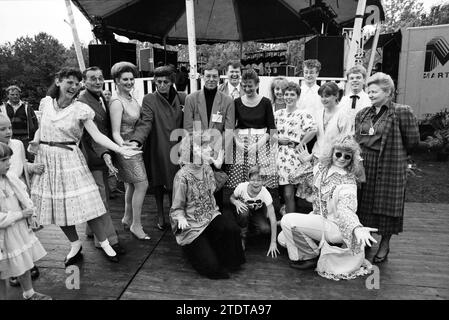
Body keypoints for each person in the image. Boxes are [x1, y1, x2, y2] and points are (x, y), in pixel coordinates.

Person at [30, 67, 141, 266]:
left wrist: (120, 149)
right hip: (47, 162)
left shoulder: (81, 109)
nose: (73, 86)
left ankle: (106, 243)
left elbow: (98, 135)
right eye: (69, 82)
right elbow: (42, 127)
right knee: (59, 208)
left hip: (70, 160)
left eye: (76, 83)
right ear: (58, 81)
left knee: (90, 206)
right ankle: (74, 244)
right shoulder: (46, 103)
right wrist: (36, 140)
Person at [278, 136, 377, 279]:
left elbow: (345, 210)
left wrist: (356, 227)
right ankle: (318, 246)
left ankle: (309, 257)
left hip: (335, 226)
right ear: (332, 153)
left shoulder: (348, 182)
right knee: (283, 238)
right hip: (318, 219)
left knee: (287, 220)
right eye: (338, 154)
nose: (342, 158)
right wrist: (306, 162)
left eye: (347, 157)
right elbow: (294, 178)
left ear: (352, 159)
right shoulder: (321, 168)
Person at [355, 72, 419, 263]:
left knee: (387, 206)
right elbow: (357, 139)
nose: (370, 95)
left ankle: (384, 245)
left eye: (374, 91)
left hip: (390, 164)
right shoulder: (363, 113)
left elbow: (413, 141)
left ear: (387, 91)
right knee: (364, 204)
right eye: (369, 92)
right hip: (366, 165)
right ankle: (365, 241)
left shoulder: (401, 111)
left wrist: (398, 156)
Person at [170, 134, 245, 279]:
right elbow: (177, 207)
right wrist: (180, 217)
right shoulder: (182, 176)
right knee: (212, 268)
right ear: (194, 150)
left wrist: (217, 167)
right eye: (204, 146)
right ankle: (190, 249)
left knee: (232, 230)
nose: (210, 148)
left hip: (209, 216)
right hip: (191, 225)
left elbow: (212, 189)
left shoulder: (207, 168)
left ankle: (222, 254)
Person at [128, 66, 185, 231]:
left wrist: (185, 142)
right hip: (158, 144)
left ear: (172, 82)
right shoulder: (149, 99)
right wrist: (136, 141)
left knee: (176, 183)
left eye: (165, 82)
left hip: (177, 146)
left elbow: (187, 122)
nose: (161, 85)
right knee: (159, 181)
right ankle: (160, 212)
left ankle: (175, 212)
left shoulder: (182, 98)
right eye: (158, 82)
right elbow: (145, 122)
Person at [78, 66, 125, 254]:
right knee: (101, 198)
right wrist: (105, 154)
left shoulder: (99, 98)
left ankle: (91, 231)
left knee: (98, 193)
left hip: (100, 153)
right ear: (84, 81)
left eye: (100, 78)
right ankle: (107, 239)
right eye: (92, 79)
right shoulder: (83, 102)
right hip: (92, 154)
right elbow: (92, 135)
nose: (97, 81)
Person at [0, 142, 52, 300]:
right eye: (3, 160)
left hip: (17, 231)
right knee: (0, 271)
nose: (9, 163)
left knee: (23, 262)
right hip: (3, 234)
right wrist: (21, 214)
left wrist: (31, 214)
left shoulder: (10, 178)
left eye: (9, 159)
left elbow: (23, 196)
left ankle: (29, 292)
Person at [183, 62, 235, 212]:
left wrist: (216, 151)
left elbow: (229, 129)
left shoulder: (227, 101)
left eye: (214, 76)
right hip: (197, 151)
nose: (211, 79)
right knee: (197, 187)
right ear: (202, 77)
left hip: (217, 153)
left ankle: (216, 216)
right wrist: (198, 149)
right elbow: (187, 128)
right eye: (208, 76)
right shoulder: (191, 99)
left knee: (216, 187)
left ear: (219, 78)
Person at [0, 114, 44, 288]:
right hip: (3, 197)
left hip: (17, 188)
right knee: (8, 240)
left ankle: (28, 264)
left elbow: (22, 163)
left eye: (9, 127)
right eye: (2, 129)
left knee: (24, 234)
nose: (8, 132)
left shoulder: (17, 145)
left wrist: (33, 168)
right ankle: (12, 270)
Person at [109, 62, 150, 240]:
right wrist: (124, 148)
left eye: (131, 79)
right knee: (142, 184)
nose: (129, 82)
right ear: (117, 81)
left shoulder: (132, 98)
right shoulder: (117, 102)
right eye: (125, 79)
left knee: (132, 184)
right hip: (126, 149)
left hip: (136, 146)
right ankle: (136, 224)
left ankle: (127, 216)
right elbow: (115, 132)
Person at [226, 69, 278, 198]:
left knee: (260, 179)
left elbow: (272, 128)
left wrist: (257, 145)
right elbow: (231, 126)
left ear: (257, 84)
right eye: (244, 85)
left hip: (261, 145)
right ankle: (242, 209)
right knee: (241, 182)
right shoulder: (236, 102)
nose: (247, 88)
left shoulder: (266, 102)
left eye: (250, 85)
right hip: (241, 146)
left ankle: (262, 208)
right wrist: (237, 142)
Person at [274, 82, 317, 213]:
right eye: (286, 94)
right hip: (276, 153)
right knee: (278, 192)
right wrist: (277, 139)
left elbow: (313, 130)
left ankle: (290, 222)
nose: (288, 97)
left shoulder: (303, 114)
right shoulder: (278, 113)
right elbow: (270, 132)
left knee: (288, 193)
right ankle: (282, 217)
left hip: (291, 156)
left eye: (292, 94)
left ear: (297, 96)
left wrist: (300, 143)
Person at [229, 165, 279, 257]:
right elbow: (231, 197)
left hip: (256, 212)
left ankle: (250, 229)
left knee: (266, 229)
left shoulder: (265, 193)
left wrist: (273, 242)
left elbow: (273, 218)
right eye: (252, 180)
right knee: (244, 213)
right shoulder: (242, 187)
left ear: (263, 181)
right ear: (248, 179)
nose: (255, 183)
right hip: (242, 211)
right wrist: (236, 202)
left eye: (259, 180)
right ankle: (242, 236)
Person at [312, 82, 351, 160]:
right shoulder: (317, 113)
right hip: (317, 155)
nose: (324, 99)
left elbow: (347, 139)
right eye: (322, 96)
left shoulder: (343, 115)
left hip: (335, 158)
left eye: (327, 96)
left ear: (336, 95)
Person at [0, 85, 39, 161]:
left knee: (29, 160)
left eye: (17, 94)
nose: (15, 96)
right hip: (9, 139)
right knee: (11, 160)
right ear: (8, 95)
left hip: (25, 139)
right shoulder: (2, 108)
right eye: (12, 94)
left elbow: (35, 122)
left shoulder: (27, 107)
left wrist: (34, 137)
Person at [337, 65, 371, 135]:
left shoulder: (370, 101)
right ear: (348, 81)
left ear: (364, 80)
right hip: (344, 140)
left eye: (358, 78)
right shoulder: (342, 100)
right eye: (352, 78)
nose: (354, 80)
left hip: (363, 139)